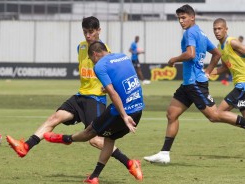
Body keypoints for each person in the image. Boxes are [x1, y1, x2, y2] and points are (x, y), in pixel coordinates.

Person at [6, 16, 132, 171]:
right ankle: (25, 146)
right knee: (54, 118)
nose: (87, 35)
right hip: (80, 96)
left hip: (95, 99)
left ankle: (130, 163)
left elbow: (114, 75)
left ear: (99, 30)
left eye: (91, 32)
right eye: (85, 32)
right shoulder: (81, 47)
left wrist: (108, 87)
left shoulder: (105, 52)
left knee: (95, 140)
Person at [143, 5, 245, 164]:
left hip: (195, 83)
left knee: (214, 115)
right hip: (188, 84)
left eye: (183, 18)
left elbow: (190, 54)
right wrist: (209, 71)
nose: (181, 21)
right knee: (171, 114)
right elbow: (217, 54)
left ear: (192, 17)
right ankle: (164, 153)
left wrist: (174, 59)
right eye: (179, 19)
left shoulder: (190, 33)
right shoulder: (201, 33)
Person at [43, 41, 144, 183]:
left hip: (122, 112)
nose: (91, 62)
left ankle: (65, 139)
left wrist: (124, 116)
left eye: (91, 59)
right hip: (138, 108)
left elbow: (113, 94)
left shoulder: (100, 66)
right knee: (109, 139)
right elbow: (129, 80)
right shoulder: (123, 57)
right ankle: (94, 177)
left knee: (90, 133)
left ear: (95, 54)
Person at [211, 18, 245, 119]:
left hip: (242, 86)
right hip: (239, 85)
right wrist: (208, 72)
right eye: (215, 29)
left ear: (226, 29)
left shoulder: (232, 42)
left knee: (216, 114)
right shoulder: (220, 47)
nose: (217, 31)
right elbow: (225, 67)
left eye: (219, 29)